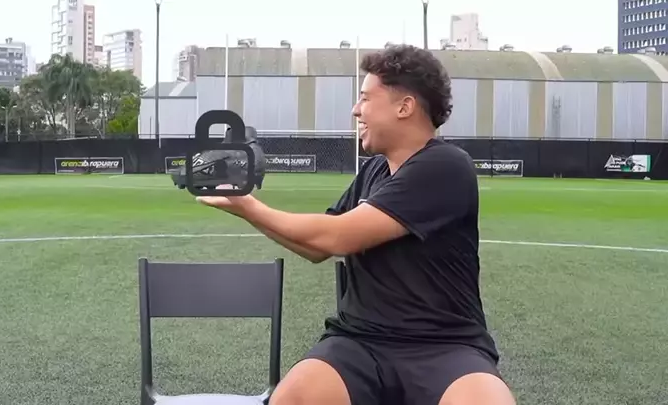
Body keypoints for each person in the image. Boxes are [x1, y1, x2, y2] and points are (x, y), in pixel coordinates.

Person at [196, 44, 516, 405]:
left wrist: (249, 206)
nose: (355, 109)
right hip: (360, 342)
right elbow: (317, 249)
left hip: (446, 345)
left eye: (365, 98)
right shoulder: (373, 172)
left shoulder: (447, 165)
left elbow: (335, 237)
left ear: (404, 107)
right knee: (294, 397)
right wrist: (243, 208)